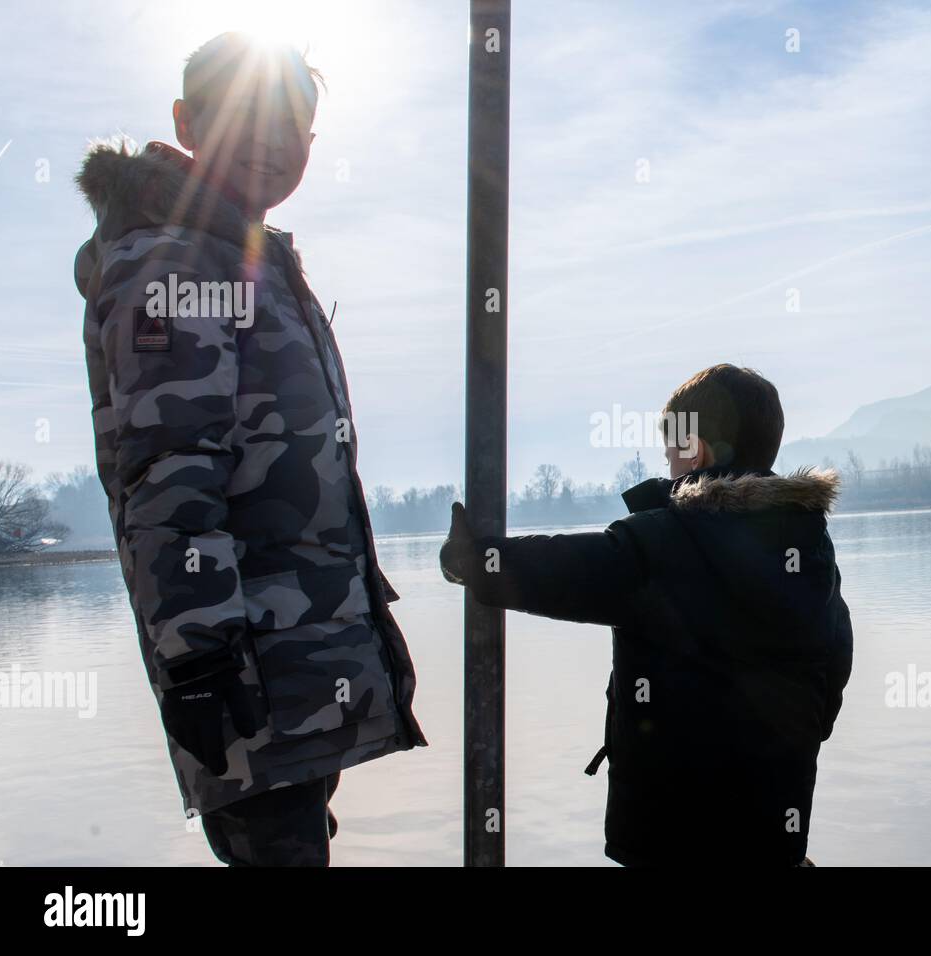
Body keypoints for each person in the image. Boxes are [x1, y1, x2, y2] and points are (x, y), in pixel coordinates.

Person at [73, 32, 426, 866]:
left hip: (292, 651)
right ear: (187, 121)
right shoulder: (174, 260)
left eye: (295, 125)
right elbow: (169, 464)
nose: (275, 142)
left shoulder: (242, 259)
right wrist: (198, 658)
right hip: (245, 666)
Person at [440, 364, 853, 865]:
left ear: (696, 450)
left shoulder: (663, 542)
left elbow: (569, 571)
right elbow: (832, 672)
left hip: (671, 836)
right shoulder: (811, 552)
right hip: (773, 831)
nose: (668, 465)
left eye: (669, 452)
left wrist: (476, 561)